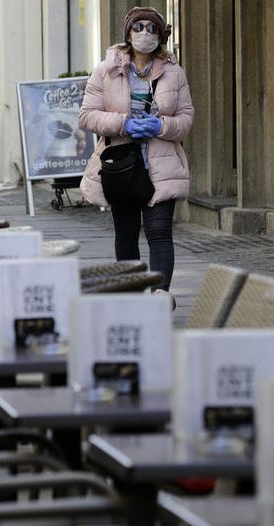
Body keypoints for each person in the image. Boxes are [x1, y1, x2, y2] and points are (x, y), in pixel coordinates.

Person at [79, 6, 193, 306]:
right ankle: (131, 298)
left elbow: (185, 120)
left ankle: (159, 295)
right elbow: (87, 116)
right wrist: (123, 123)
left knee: (159, 232)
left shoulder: (174, 72)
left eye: (152, 28)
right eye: (139, 27)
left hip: (162, 165)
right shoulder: (106, 71)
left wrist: (161, 125)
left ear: (161, 36)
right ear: (128, 33)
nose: (145, 33)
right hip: (122, 165)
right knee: (127, 232)